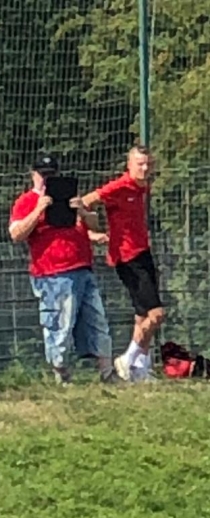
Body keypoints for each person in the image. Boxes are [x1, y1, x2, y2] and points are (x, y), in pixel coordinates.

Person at [9, 153, 114, 385]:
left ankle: (107, 372)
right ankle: (62, 374)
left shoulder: (69, 197)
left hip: (83, 267)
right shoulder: (26, 201)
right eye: (43, 175)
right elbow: (16, 234)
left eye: (52, 175)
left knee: (96, 320)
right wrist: (38, 210)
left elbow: (93, 224)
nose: (47, 179)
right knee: (60, 325)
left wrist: (82, 211)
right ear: (33, 175)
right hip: (52, 273)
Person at [82, 145, 164, 382]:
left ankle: (140, 367)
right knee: (157, 314)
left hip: (143, 252)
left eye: (148, 164)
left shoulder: (142, 187)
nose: (145, 168)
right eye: (140, 164)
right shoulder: (118, 187)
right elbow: (85, 202)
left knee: (142, 315)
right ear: (129, 165)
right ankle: (128, 358)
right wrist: (91, 232)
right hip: (127, 258)